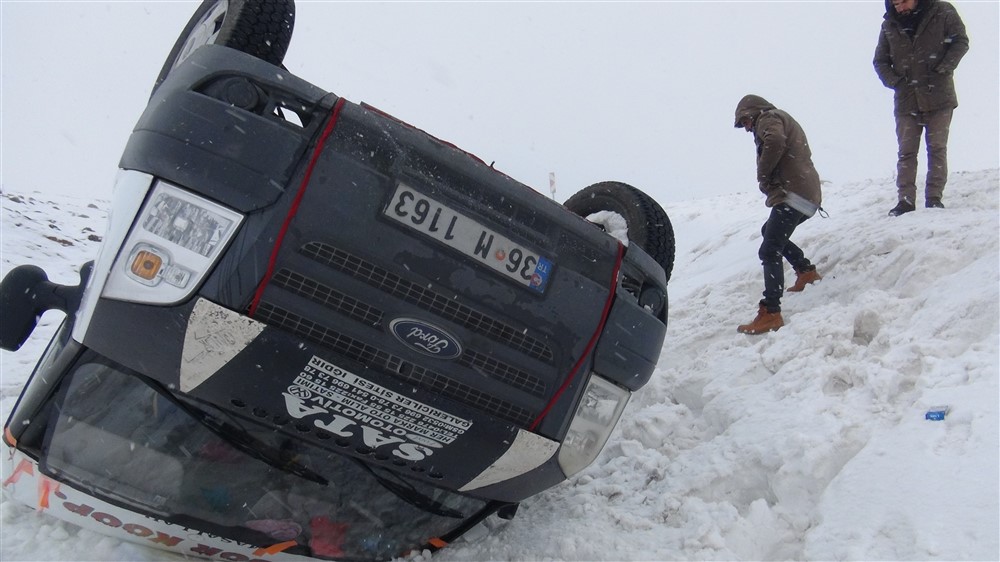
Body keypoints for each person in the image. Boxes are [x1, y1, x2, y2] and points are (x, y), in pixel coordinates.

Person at [733, 95, 823, 335]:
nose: (746, 128)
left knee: (769, 249)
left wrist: (763, 173)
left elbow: (775, 141)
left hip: (793, 195)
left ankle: (771, 312)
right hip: (807, 195)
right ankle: (806, 272)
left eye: (744, 122)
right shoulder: (778, 117)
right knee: (769, 234)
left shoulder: (768, 118)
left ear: (752, 113)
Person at [874, 0, 969, 216]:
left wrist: (943, 68)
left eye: (903, 2)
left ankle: (934, 199)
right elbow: (879, 61)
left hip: (939, 96)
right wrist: (896, 82)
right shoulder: (889, 24)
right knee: (906, 153)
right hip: (906, 100)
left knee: (936, 148)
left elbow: (960, 41)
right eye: (895, 3)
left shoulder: (942, 11)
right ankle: (905, 201)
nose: (899, 7)